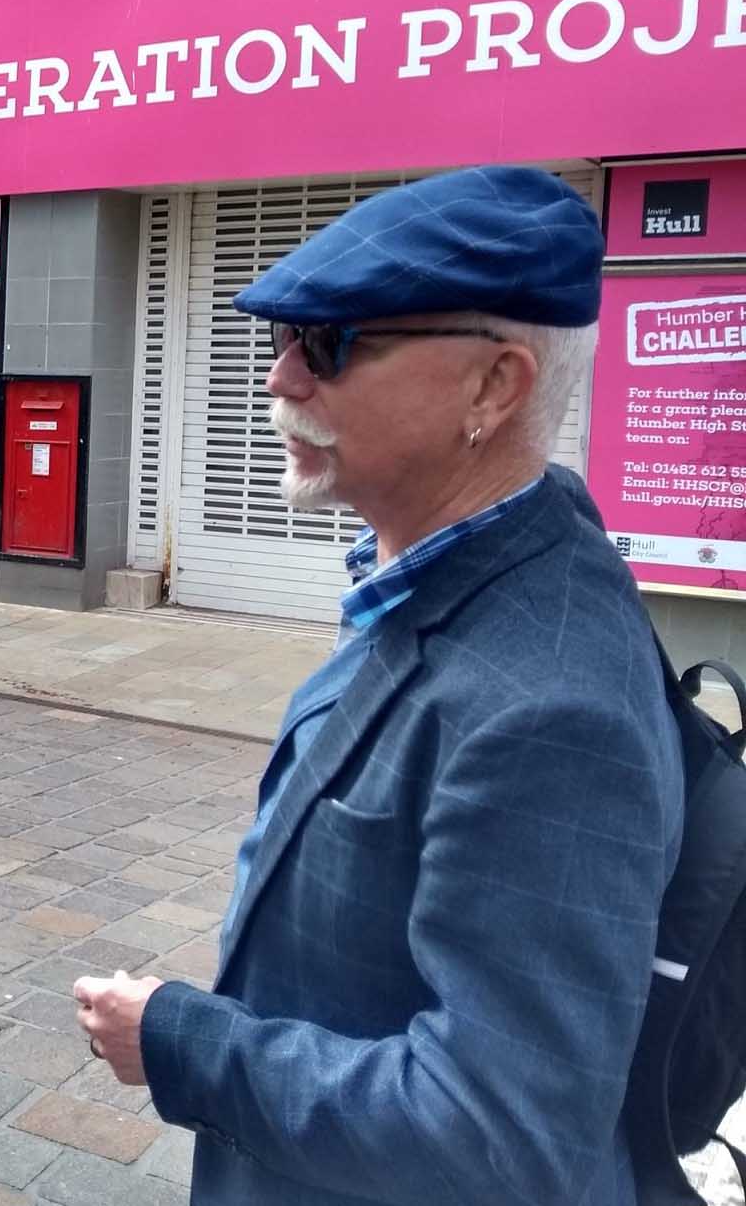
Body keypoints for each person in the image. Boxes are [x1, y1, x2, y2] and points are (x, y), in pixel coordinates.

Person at [74, 168, 683, 1206]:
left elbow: (500, 1134)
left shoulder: (548, 707)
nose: (278, 377)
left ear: (493, 387)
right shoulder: (447, 577)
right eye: (283, 340)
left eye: (330, 341)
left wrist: (181, 1042)